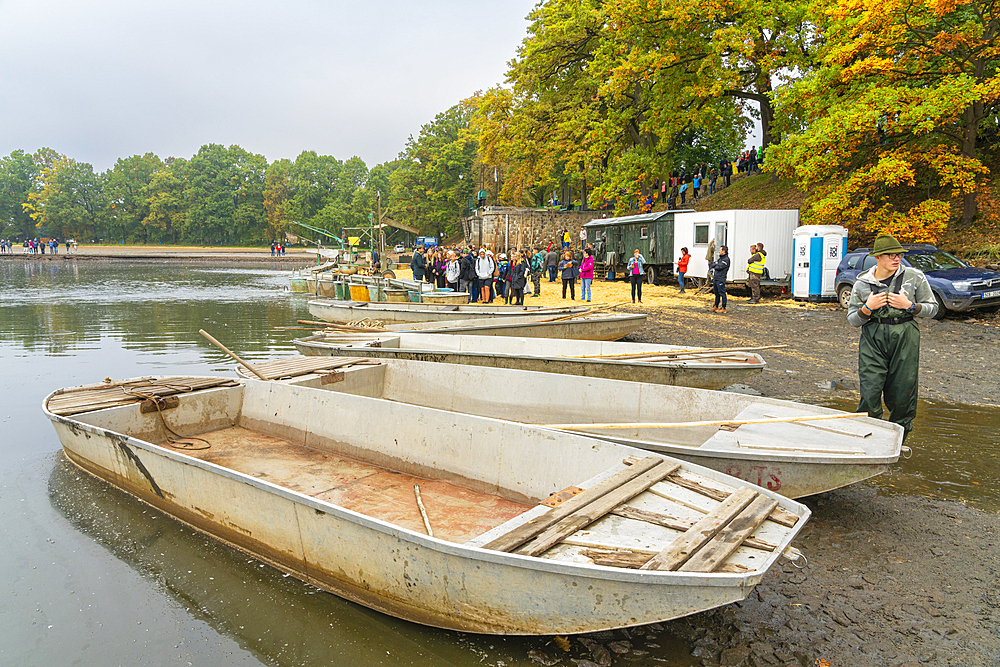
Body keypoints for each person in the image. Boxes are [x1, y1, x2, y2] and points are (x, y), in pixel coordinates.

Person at [847, 234, 937, 440]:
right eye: (890, 255)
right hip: (873, 338)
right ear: (877, 258)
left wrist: (911, 306)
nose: (896, 259)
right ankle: (869, 440)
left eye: (899, 255)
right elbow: (853, 319)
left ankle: (897, 443)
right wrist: (867, 308)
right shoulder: (862, 282)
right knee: (869, 392)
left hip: (905, 336)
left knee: (903, 393)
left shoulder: (914, 277)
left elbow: (934, 308)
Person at [709, 245, 731, 313]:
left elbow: (718, 267)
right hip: (716, 278)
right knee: (716, 293)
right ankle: (716, 306)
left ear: (723, 251)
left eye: (720, 250)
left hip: (721, 278)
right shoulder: (720, 259)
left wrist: (716, 264)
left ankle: (723, 308)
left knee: (722, 293)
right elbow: (712, 265)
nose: (719, 251)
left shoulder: (726, 259)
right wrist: (716, 264)